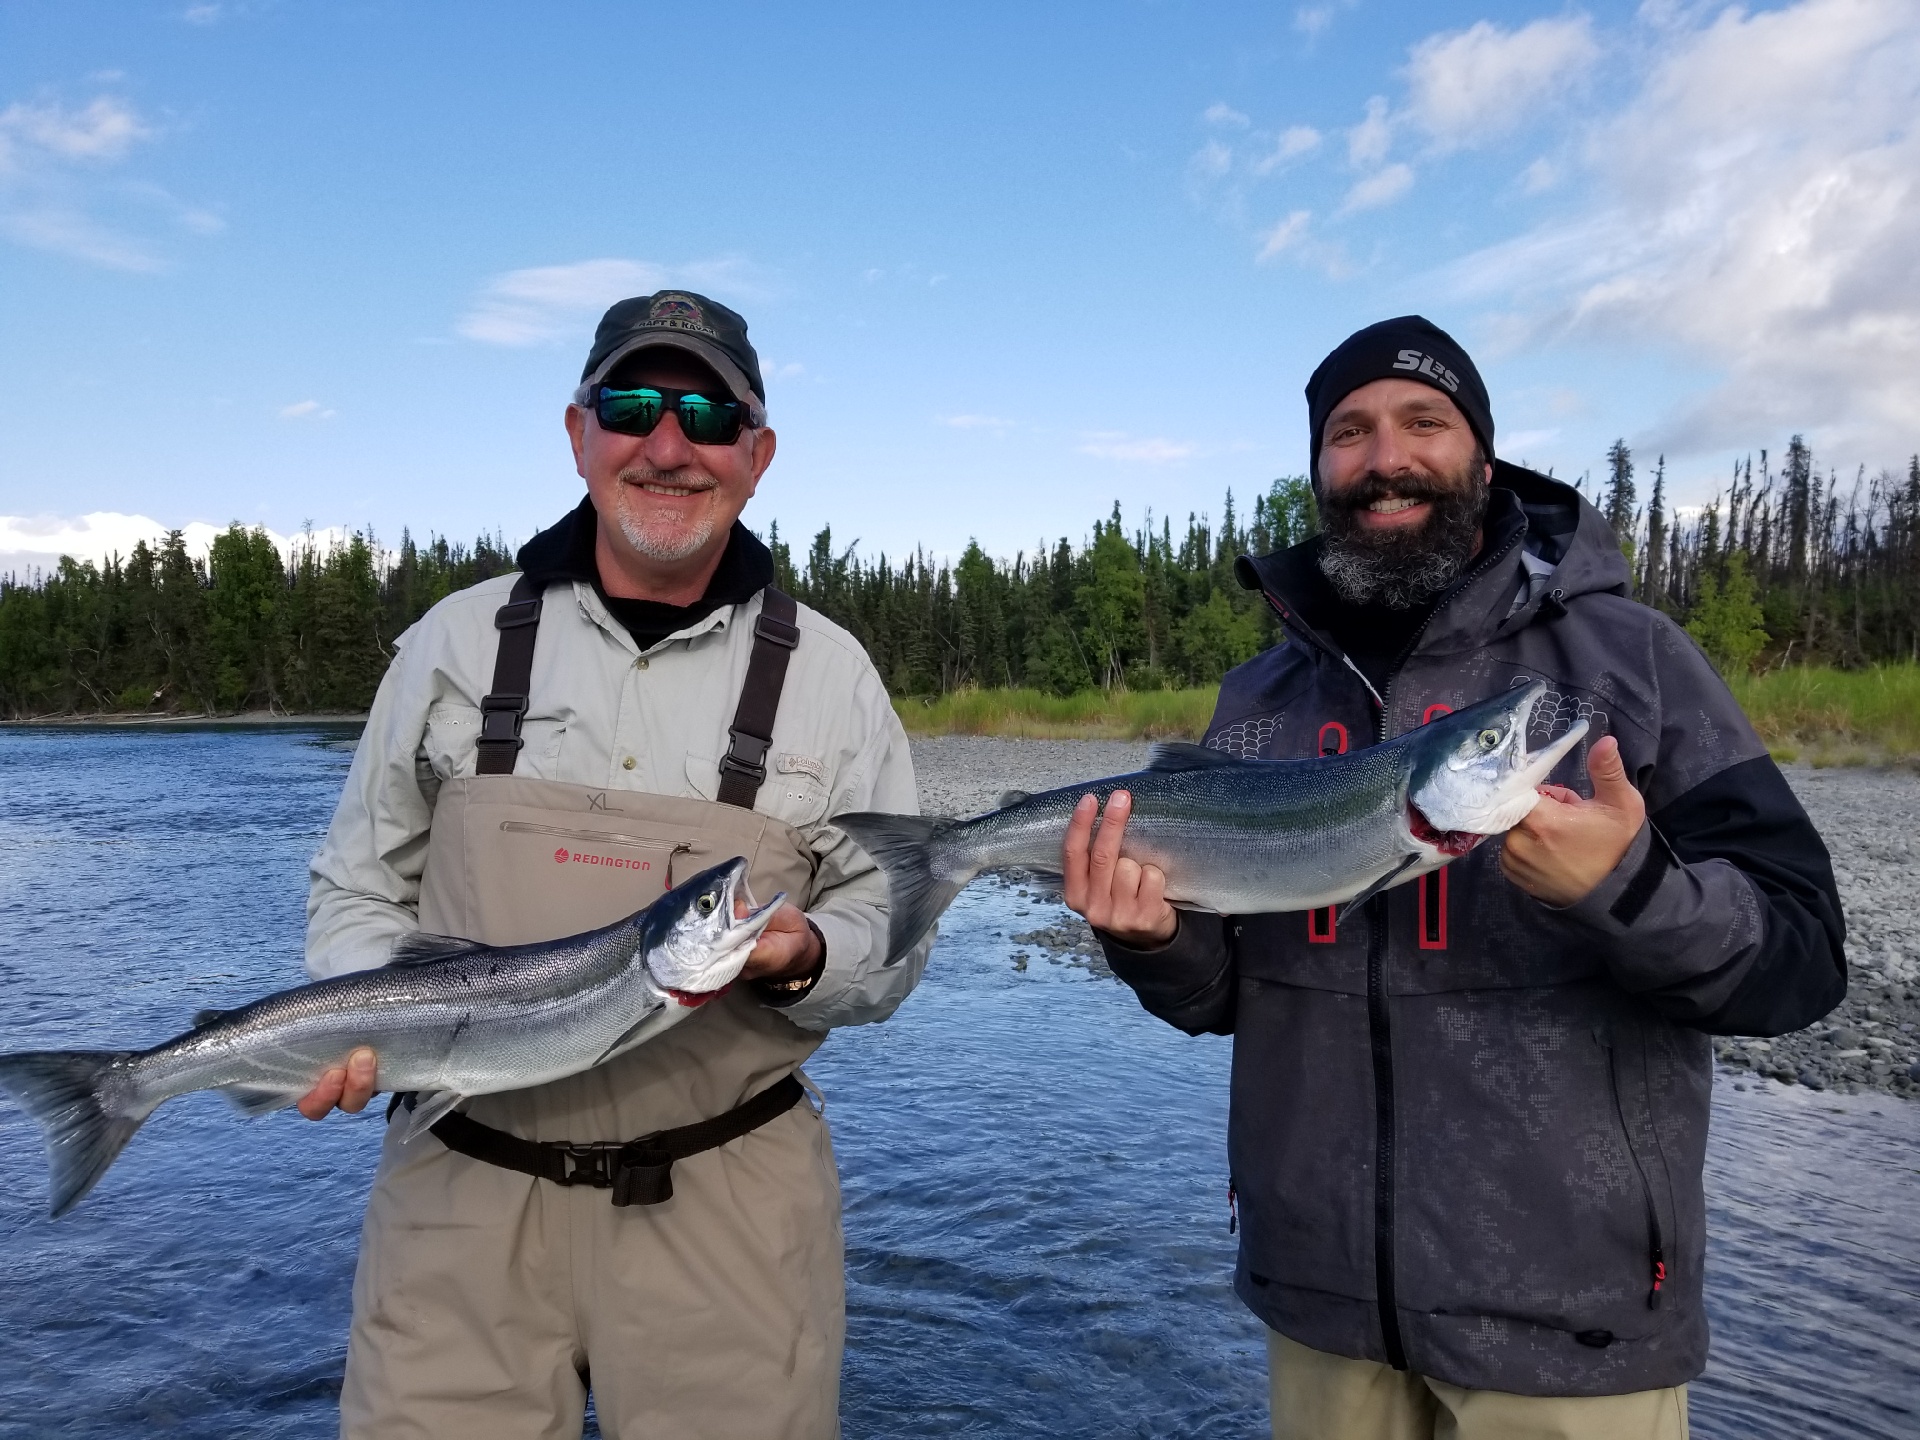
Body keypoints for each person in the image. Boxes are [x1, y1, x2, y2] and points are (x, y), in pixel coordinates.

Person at [1063, 316, 1846, 1439]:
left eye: (1423, 422)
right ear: (1320, 468)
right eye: (1350, 431)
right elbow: (1226, 994)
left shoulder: (1633, 662)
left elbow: (1803, 958)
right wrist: (1152, 942)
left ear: (1481, 456)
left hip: (1571, 1324)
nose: (1386, 458)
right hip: (1317, 1302)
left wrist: (1628, 886)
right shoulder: (1263, 699)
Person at [298, 290, 928, 1439]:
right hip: (455, 1195)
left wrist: (807, 958)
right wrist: (359, 1014)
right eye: (634, 406)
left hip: (733, 1206)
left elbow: (891, 923)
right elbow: (357, 886)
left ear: (759, 455)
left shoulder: (835, 678)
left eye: (709, 415)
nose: (669, 445)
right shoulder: (452, 644)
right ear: (580, 432)